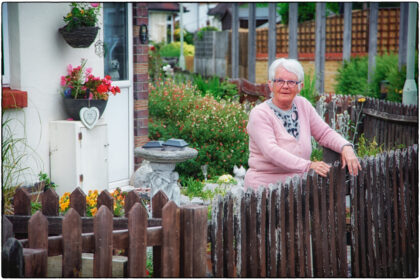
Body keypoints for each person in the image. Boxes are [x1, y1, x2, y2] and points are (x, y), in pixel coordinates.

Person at [244, 58, 361, 190]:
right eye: (280, 81)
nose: (285, 86)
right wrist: (309, 166)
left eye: (292, 82)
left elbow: (324, 133)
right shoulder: (260, 114)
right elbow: (271, 151)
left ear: (300, 87)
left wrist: (345, 147)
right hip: (265, 190)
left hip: (298, 187)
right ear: (270, 85)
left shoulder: (303, 105)